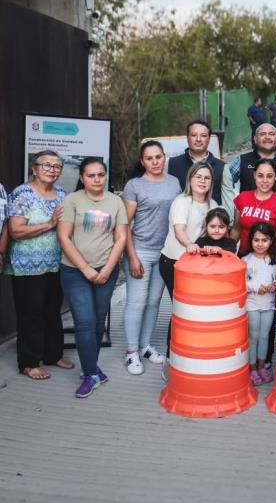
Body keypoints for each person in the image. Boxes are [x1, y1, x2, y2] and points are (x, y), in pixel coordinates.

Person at [57, 158, 128, 398]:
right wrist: (86, 269)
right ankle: (90, 374)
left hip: (106, 271)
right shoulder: (72, 200)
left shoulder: (115, 201)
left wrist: (108, 269)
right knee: (85, 322)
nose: (97, 179)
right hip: (75, 271)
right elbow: (64, 237)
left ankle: (90, 366)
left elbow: (120, 238)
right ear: (82, 178)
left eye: (101, 175)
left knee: (98, 322)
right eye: (91, 175)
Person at [7, 151, 73, 380]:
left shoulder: (62, 194)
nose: (52, 169)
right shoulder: (22, 194)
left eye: (57, 166)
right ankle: (29, 362)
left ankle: (53, 355)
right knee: (31, 314)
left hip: (56, 264)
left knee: (52, 311)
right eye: (46, 165)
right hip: (27, 266)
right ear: (34, 169)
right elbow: (16, 231)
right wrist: (49, 224)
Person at [121, 140, 181, 375]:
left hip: (165, 251)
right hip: (141, 250)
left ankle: (145, 345)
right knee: (136, 302)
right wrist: (132, 257)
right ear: (142, 162)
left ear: (164, 157)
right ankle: (131, 352)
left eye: (158, 157)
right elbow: (124, 223)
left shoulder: (174, 182)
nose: (155, 162)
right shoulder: (134, 185)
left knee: (154, 302)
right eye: (149, 158)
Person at [160, 162, 219, 301]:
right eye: (198, 177)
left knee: (192, 306)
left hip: (196, 263)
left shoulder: (214, 205)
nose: (202, 181)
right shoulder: (182, 202)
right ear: (189, 179)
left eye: (207, 178)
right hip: (174, 261)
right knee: (181, 306)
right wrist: (189, 244)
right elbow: (179, 230)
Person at [242, 222, 276, 386]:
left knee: (265, 336)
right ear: (251, 240)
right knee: (253, 337)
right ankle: (251, 367)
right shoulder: (245, 260)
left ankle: (261, 366)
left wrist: (274, 285)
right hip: (251, 305)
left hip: (269, 305)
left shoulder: (275, 261)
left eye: (264, 240)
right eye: (256, 240)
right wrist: (255, 287)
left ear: (271, 241)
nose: (260, 244)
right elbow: (241, 282)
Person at [231, 158, 276, 259]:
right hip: (243, 256)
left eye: (269, 176)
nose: (265, 180)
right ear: (254, 175)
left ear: (275, 176)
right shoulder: (242, 198)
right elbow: (236, 229)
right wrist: (229, 252)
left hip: (268, 259)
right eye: (260, 176)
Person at [167, 120, 233, 208]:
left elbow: (228, 201)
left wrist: (228, 220)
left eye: (203, 136)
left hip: (211, 218)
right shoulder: (172, 164)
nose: (198, 139)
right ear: (187, 137)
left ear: (209, 139)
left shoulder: (221, 167)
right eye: (194, 135)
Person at [229, 123, 276, 197]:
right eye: (262, 134)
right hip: (248, 208)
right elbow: (225, 184)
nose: (267, 137)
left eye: (271, 134)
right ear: (255, 139)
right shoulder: (241, 160)